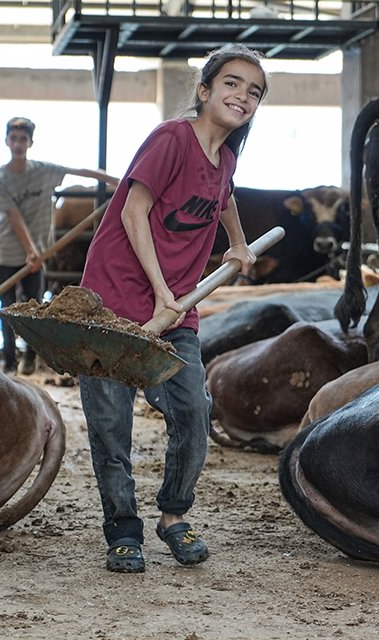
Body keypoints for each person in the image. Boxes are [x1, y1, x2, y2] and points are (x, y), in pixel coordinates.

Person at [77, 44, 265, 573]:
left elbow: (223, 195)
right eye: (231, 83)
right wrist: (160, 292)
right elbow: (134, 211)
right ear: (204, 90)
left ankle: (173, 516)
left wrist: (238, 242)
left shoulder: (225, 157)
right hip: (111, 306)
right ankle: (123, 530)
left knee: (192, 410)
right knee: (111, 427)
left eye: (253, 92)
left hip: (176, 311)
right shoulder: (170, 139)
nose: (242, 96)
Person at [0, 116, 120, 375]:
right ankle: (8, 360)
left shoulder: (43, 171)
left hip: (39, 254)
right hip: (8, 252)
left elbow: (81, 172)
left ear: (30, 143)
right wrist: (30, 251)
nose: (18, 144)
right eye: (14, 138)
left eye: (23, 139)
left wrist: (119, 181)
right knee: (6, 307)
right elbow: (13, 217)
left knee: (34, 306)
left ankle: (29, 357)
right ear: (6, 141)